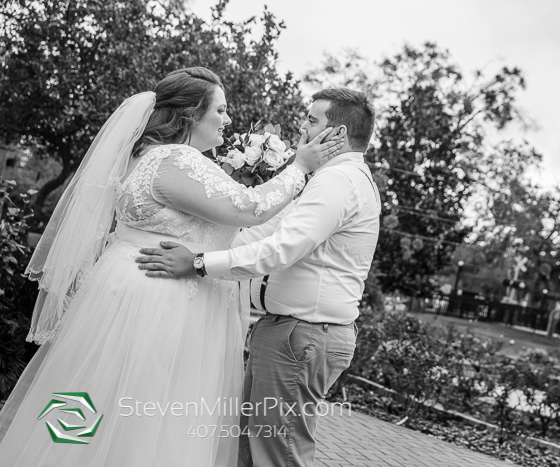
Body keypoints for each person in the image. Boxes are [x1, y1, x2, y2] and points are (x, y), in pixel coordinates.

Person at [0, 67, 343, 466]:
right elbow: (248, 208)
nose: (228, 120)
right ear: (190, 115)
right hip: (161, 298)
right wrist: (299, 167)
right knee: (143, 404)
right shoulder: (175, 158)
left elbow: (229, 225)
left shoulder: (154, 157)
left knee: (108, 400)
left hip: (140, 286)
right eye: (221, 109)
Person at [136, 88, 380, 466]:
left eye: (313, 121)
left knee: (278, 453)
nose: (303, 126)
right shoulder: (332, 181)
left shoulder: (338, 183)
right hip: (290, 330)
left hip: (303, 334)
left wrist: (198, 263)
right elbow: (264, 233)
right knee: (252, 449)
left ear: (339, 135)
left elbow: (280, 250)